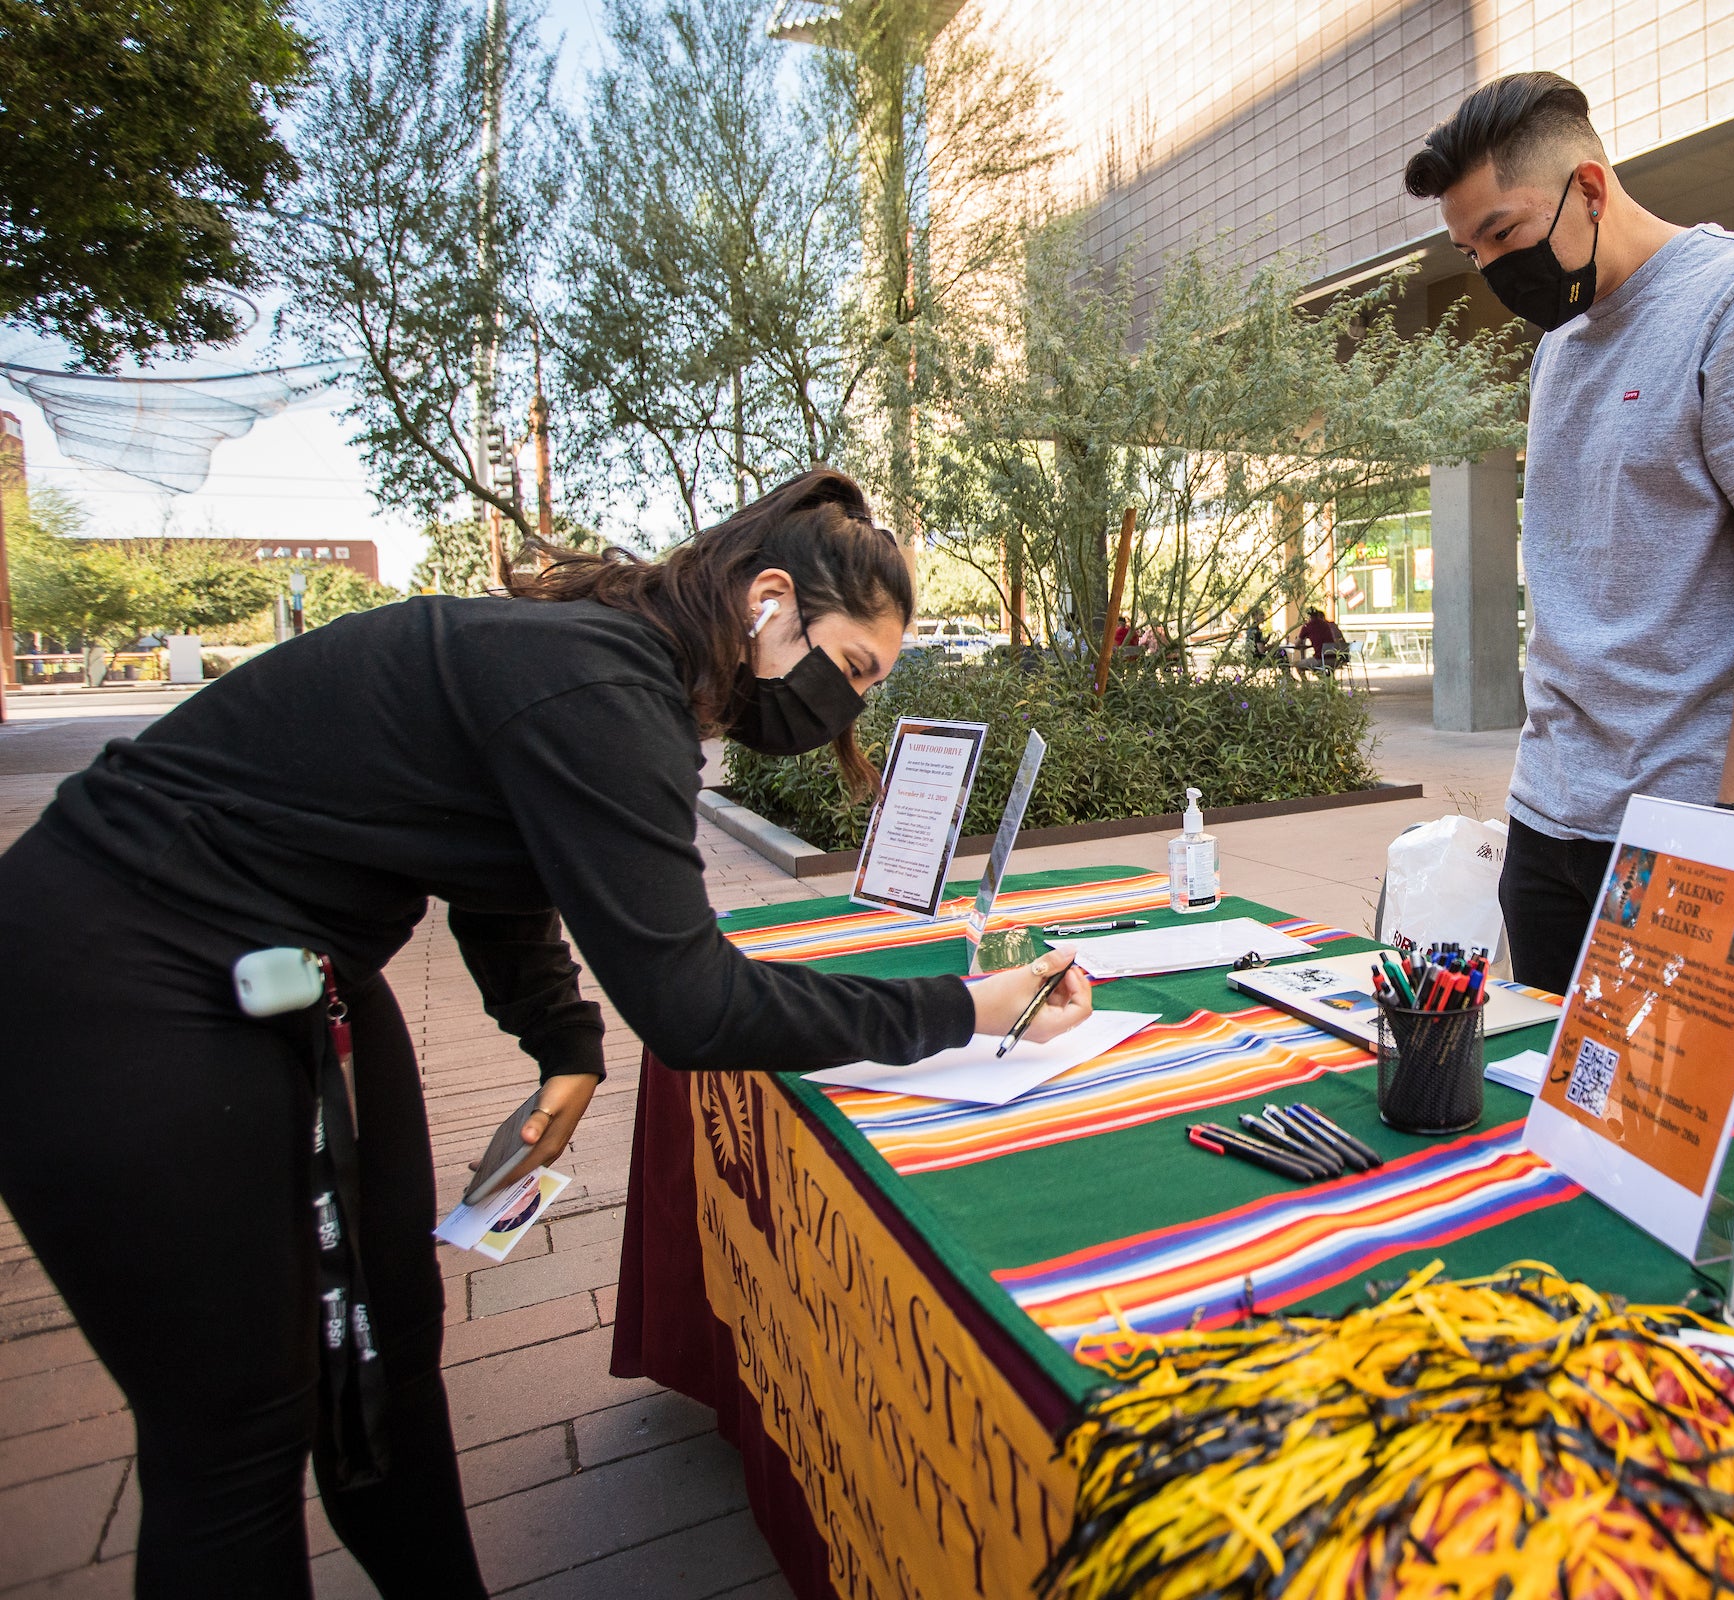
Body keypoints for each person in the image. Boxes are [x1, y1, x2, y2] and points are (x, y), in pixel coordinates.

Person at [0, 469, 1093, 1598]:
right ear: (770, 602)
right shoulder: (599, 684)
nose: (846, 708)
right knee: (237, 1428)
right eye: (853, 670)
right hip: (114, 964)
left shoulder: (603, 666)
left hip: (305, 962)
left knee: (388, 1337)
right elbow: (694, 1001)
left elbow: (497, 859)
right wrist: (965, 1007)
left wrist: (562, 1044)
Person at [1402, 74, 1734, 993]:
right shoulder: (1557, 350)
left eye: (1504, 232)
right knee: (1548, 1100)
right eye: (1470, 248)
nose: (1494, 267)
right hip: (1552, 814)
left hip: (1696, 825)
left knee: (1683, 1127)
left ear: (1591, 186)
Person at [1290, 606, 1349, 671]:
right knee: (1317, 667)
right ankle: (1327, 680)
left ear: (1307, 616)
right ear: (1318, 615)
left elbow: (1296, 644)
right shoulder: (1326, 625)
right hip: (1334, 659)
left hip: (1320, 659)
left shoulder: (1307, 626)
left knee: (1297, 664)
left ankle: (1304, 681)